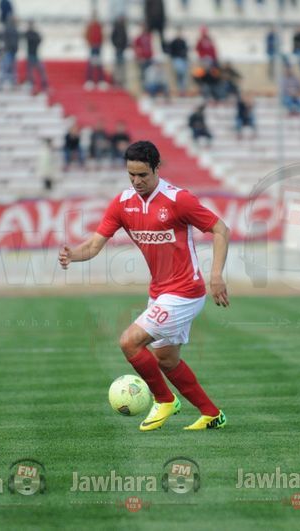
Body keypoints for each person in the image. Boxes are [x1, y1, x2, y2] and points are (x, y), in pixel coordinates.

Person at [58, 141, 229, 431]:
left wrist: (216, 275)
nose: (136, 181)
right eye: (131, 175)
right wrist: (73, 255)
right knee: (167, 360)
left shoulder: (178, 199)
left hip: (185, 292)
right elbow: (95, 244)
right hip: (160, 293)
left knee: (129, 342)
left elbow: (220, 229)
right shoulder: (123, 203)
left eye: (142, 175)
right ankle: (212, 414)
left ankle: (164, 400)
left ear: (156, 168)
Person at [84, 12, 107, 90]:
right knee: (90, 64)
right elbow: (86, 35)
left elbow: (103, 35)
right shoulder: (89, 26)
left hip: (98, 46)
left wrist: (101, 43)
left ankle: (101, 80)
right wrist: (89, 43)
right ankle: (89, 80)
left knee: (99, 64)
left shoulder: (99, 26)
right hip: (92, 46)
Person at [25, 20, 49, 93]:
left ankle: (42, 85)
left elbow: (39, 39)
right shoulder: (30, 34)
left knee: (38, 71)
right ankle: (34, 86)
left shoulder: (32, 34)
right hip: (32, 55)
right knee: (33, 72)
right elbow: (38, 39)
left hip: (34, 54)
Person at [0, 16, 19, 90]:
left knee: (11, 69)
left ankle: (12, 84)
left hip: (12, 51)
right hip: (8, 51)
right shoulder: (9, 29)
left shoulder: (13, 29)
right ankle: (1, 85)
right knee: (6, 68)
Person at [169, 27, 188, 96]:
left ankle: (183, 91)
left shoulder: (183, 41)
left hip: (183, 60)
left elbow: (186, 50)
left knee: (183, 76)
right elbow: (171, 51)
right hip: (177, 59)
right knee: (179, 74)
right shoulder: (174, 42)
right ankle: (180, 90)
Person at [111, 16, 128, 87]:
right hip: (118, 48)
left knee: (122, 65)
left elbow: (125, 38)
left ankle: (121, 81)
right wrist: (116, 45)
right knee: (117, 65)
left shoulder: (123, 28)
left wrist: (124, 46)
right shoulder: (117, 27)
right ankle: (116, 81)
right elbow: (112, 37)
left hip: (122, 49)